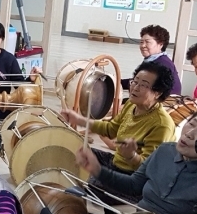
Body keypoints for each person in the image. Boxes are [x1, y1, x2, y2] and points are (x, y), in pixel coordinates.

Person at [61, 61, 176, 203]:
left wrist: (131, 156)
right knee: (75, 151)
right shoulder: (131, 104)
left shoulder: (162, 124)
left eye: (144, 85)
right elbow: (111, 129)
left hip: (132, 179)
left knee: (89, 187)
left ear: (157, 93)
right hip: (117, 163)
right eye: (135, 81)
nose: (135, 88)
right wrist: (79, 120)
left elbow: (148, 170)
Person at [128, 25, 181, 95]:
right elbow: (139, 81)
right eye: (141, 42)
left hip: (166, 102)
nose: (143, 45)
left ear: (161, 44)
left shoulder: (162, 63)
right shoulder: (153, 59)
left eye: (147, 42)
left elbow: (144, 85)